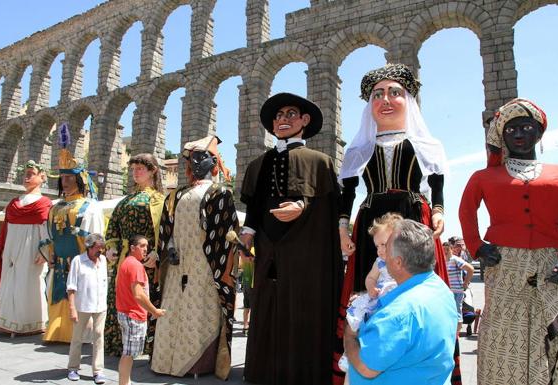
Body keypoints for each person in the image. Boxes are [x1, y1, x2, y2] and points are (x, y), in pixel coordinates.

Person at [459, 98, 558, 385]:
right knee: (506, 331)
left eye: (526, 127)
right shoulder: (483, 177)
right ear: (502, 136)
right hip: (505, 265)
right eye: (510, 130)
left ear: (539, 132)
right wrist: (477, 246)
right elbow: (466, 210)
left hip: (551, 262)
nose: (519, 134)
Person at [335, 63, 450, 383]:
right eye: (377, 94)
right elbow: (348, 193)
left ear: (408, 100)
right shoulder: (359, 149)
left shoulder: (427, 145)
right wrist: (343, 227)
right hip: (372, 222)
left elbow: (437, 185)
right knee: (368, 290)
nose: (385, 99)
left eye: (395, 93)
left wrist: (438, 211)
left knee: (412, 288)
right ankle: (365, 359)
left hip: (414, 218)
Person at [240, 92, 343, 385]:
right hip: (268, 247)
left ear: (305, 120)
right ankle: (265, 370)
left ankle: (304, 373)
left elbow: (329, 209)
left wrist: (303, 206)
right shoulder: (258, 164)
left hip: (306, 250)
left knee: (303, 305)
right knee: (268, 303)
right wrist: (246, 237)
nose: (283, 120)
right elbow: (254, 208)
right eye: (278, 116)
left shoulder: (320, 162)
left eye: (290, 114)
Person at [151, 135, 239, 379]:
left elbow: (226, 233)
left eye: (202, 158)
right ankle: (168, 361)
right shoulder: (175, 195)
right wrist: (168, 247)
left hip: (205, 267)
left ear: (213, 164)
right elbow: (165, 228)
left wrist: (216, 268)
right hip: (178, 264)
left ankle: (195, 365)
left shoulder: (219, 193)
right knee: (176, 311)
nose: (196, 164)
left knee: (199, 313)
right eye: (193, 159)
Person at [344, 219, 457, 384]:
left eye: (386, 249)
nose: (381, 254)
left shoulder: (400, 312)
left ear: (398, 262)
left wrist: (350, 335)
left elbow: (366, 368)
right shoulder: (441, 289)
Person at [44, 136, 105, 343]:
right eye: (62, 178)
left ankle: (80, 335)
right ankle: (56, 332)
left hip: (81, 262)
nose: (65, 181)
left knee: (80, 298)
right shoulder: (55, 206)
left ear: (80, 180)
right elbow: (51, 236)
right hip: (60, 262)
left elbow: (97, 237)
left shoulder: (90, 206)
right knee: (58, 295)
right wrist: (50, 254)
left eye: (70, 178)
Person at [104, 153, 164, 356]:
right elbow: (113, 227)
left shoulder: (159, 200)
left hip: (146, 259)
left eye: (140, 169)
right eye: (133, 169)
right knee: (119, 299)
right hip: (123, 259)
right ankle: (117, 342)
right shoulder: (126, 199)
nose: (135, 173)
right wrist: (110, 247)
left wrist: (157, 252)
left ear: (152, 171)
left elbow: (165, 230)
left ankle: (145, 344)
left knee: (143, 298)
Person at [0, 160, 52, 336]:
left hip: (31, 250)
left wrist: (45, 252)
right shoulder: (14, 203)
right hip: (11, 248)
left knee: (29, 283)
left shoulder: (44, 203)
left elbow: (46, 230)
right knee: (9, 282)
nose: (26, 177)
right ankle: (3, 321)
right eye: (25, 174)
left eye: (31, 173)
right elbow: (6, 229)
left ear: (42, 177)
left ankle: (29, 323)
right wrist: (2, 249)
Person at [338, 213, 401, 381]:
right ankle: (349, 354)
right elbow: (371, 277)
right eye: (377, 246)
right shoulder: (379, 262)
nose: (380, 250)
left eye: (384, 244)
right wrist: (371, 287)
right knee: (356, 320)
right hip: (379, 296)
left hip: (397, 301)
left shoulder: (404, 261)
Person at [116, 235, 165, 385]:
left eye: (147, 246)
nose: (146, 249)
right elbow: (138, 295)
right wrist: (155, 311)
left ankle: (126, 382)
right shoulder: (135, 265)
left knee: (128, 352)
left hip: (126, 313)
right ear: (132, 247)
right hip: (133, 315)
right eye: (142, 246)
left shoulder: (128, 263)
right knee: (129, 354)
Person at [66, 233, 108, 384]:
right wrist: (72, 308)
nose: (101, 251)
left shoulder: (103, 260)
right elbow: (71, 286)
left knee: (98, 337)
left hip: (100, 306)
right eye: (98, 248)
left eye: (102, 248)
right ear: (89, 247)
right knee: (77, 337)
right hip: (82, 305)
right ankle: (73, 367)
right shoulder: (78, 261)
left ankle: (98, 370)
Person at [445, 240, 474, 335]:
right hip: (447, 292)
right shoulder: (442, 261)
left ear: (451, 249)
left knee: (457, 312)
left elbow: (470, 269)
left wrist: (465, 283)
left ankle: (456, 334)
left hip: (457, 291)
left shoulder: (455, 259)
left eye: (447, 249)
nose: (445, 251)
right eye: (443, 249)